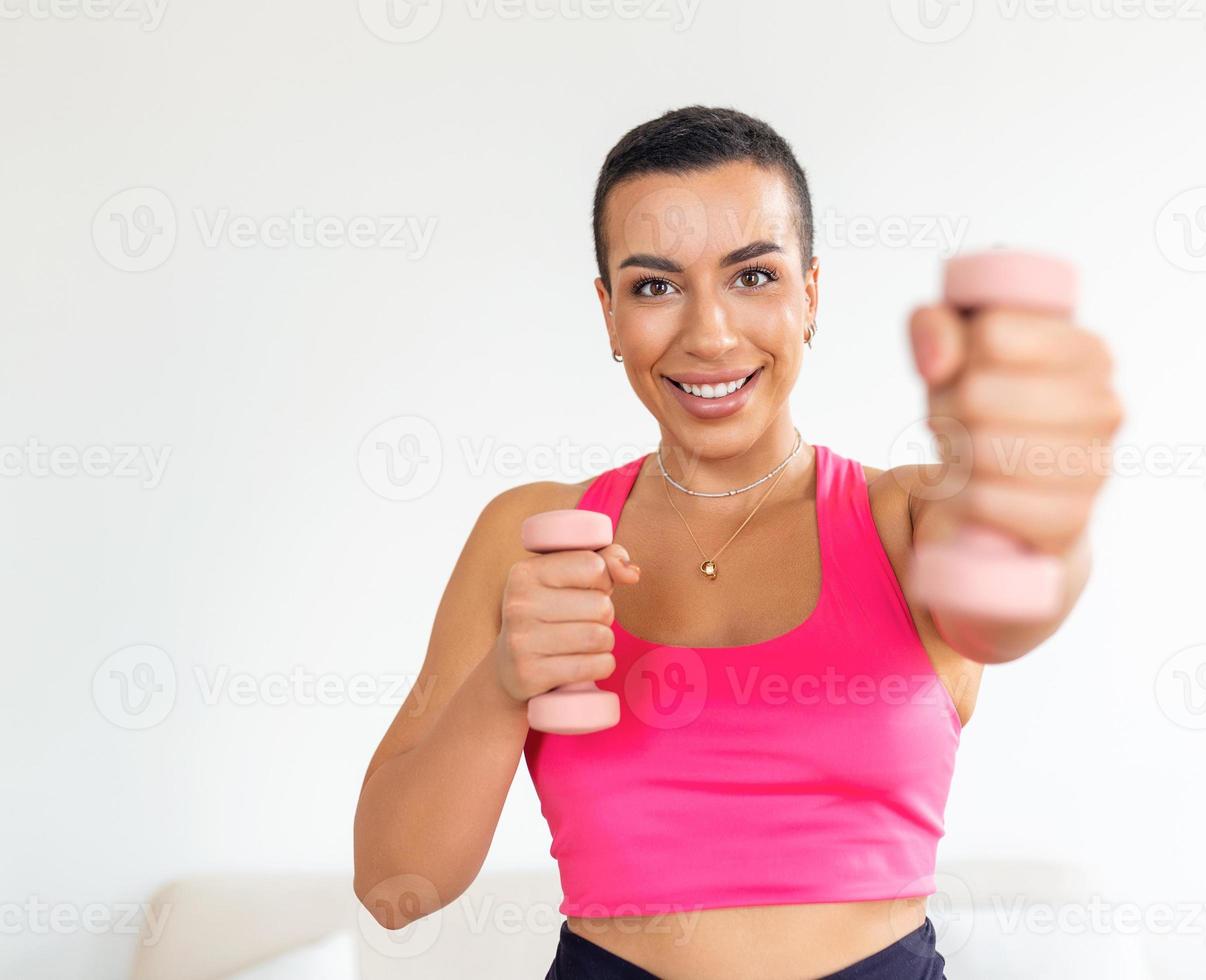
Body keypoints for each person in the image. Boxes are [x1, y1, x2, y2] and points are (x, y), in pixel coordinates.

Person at [353, 105, 1122, 979]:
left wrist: (1042, 514)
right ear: (608, 315)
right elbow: (393, 887)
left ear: (811, 295)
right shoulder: (532, 539)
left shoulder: (907, 517)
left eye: (752, 277)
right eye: (654, 286)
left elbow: (1008, 594)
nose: (709, 333)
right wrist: (502, 685)